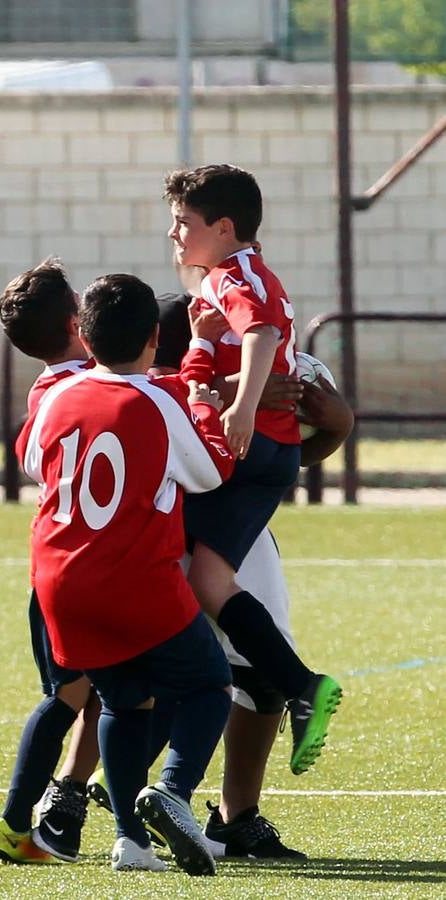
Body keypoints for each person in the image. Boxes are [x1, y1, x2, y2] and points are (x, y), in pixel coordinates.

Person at [20, 273, 234, 876]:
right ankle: (172, 789)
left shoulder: (61, 395)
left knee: (122, 699)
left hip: (61, 579)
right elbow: (211, 473)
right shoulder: (158, 400)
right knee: (208, 685)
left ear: (84, 337)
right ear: (153, 337)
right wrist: (203, 403)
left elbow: (34, 460)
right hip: (133, 575)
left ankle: (130, 842)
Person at [153, 293, 354, 859]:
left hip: (233, 529)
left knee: (258, 672)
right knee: (136, 679)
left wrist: (332, 428)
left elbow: (266, 453)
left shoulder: (262, 352)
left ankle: (235, 815)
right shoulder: (158, 366)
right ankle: (81, 794)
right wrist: (229, 399)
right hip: (156, 532)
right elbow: (175, 431)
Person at [164, 165, 342, 776]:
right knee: (209, 579)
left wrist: (237, 408)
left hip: (254, 446)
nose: (174, 234)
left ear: (223, 226)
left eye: (184, 223)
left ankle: (288, 685)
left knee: (190, 578)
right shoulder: (238, 277)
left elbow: (262, 333)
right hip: (274, 453)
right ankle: (294, 685)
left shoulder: (233, 274)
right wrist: (200, 343)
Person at [0, 259, 102, 865]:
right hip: (91, 561)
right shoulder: (101, 378)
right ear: (77, 320)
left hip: (55, 562)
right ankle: (13, 821)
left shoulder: (45, 388)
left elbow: (31, 460)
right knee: (72, 696)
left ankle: (62, 809)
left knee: (87, 693)